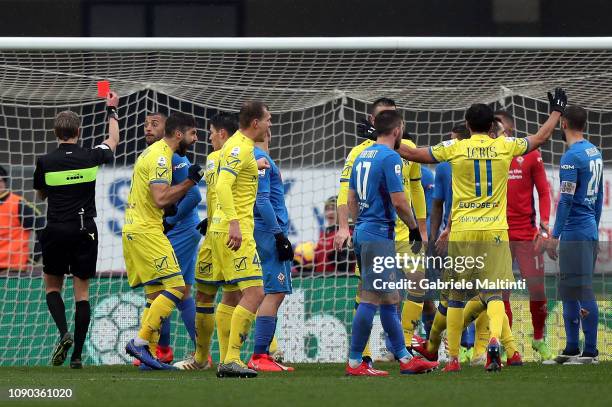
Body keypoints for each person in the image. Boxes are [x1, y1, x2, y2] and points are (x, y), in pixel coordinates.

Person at [399, 88, 567, 372]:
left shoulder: (454, 148)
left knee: (454, 297)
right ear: (492, 126)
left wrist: (382, 139)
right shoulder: (505, 146)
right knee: (495, 293)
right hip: (496, 232)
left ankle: (452, 359)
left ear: (467, 125)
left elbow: (413, 154)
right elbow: (541, 138)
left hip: (463, 232)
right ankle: (494, 344)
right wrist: (556, 112)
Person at [334, 97, 428, 367]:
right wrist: (413, 227)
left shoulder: (362, 155)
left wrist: (359, 221)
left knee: (390, 299)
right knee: (371, 297)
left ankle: (404, 356)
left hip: (365, 229)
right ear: (397, 130)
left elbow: (349, 197)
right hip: (379, 233)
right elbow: (400, 201)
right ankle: (355, 362)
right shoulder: (390, 156)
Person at [33, 92, 120, 369]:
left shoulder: (45, 161)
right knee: (81, 295)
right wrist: (112, 110)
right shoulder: (90, 156)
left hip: (57, 228)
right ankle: (78, 356)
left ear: (56, 132)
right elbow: (114, 141)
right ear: (79, 131)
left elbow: (41, 196)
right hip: (85, 229)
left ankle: (63, 333)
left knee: (52, 287)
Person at [123, 112, 203, 370]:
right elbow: (159, 198)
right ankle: (140, 341)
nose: (195, 138)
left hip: (135, 228)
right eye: (192, 133)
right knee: (177, 288)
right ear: (178, 134)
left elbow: (154, 198)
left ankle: (150, 355)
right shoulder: (161, 157)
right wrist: (191, 180)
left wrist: (167, 209)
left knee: (156, 293)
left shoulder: (151, 152)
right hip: (148, 231)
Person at [210, 101, 271, 378]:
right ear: (255, 123)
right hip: (236, 230)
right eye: (268, 120)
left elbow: (236, 172)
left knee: (232, 294)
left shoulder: (238, 146)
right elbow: (223, 184)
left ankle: (226, 359)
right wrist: (235, 222)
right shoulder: (239, 147)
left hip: (222, 229)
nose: (271, 125)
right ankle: (232, 358)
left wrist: (253, 165)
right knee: (256, 293)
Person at [174, 112, 238, 370]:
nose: (208, 136)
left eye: (211, 131)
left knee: (240, 296)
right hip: (212, 236)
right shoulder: (212, 159)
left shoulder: (241, 153)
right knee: (203, 294)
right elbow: (213, 194)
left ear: (222, 133)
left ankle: (236, 356)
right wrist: (209, 219)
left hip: (234, 235)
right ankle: (201, 358)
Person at [544, 105, 603, 365]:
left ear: (563, 123)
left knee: (580, 288)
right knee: (568, 287)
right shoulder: (594, 151)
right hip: (587, 227)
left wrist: (555, 235)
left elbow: (565, 200)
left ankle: (589, 351)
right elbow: (599, 195)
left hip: (575, 231)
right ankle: (571, 348)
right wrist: (595, 225)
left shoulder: (571, 157)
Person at [495, 109, 553, 361]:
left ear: (508, 131)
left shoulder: (530, 154)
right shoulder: (490, 155)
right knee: (500, 293)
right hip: (498, 234)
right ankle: (509, 348)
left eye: (497, 129)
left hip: (528, 235)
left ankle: (539, 338)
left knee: (537, 290)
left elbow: (544, 192)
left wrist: (544, 225)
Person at [246, 128, 295, 372]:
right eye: (269, 120)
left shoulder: (251, 155)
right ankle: (259, 355)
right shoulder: (258, 156)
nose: (271, 125)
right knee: (274, 293)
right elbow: (262, 200)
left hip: (259, 230)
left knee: (264, 291)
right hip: (267, 231)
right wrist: (279, 236)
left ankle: (261, 353)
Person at [0, 165, 44, 273]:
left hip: (12, 270)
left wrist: (34, 259)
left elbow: (42, 227)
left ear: (3, 182)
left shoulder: (18, 204)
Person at [313, 196, 356, 273]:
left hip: (340, 282)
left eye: (334, 209)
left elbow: (347, 265)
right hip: (318, 281)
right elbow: (317, 261)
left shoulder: (348, 233)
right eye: (327, 209)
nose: (330, 212)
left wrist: (338, 256)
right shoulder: (323, 233)